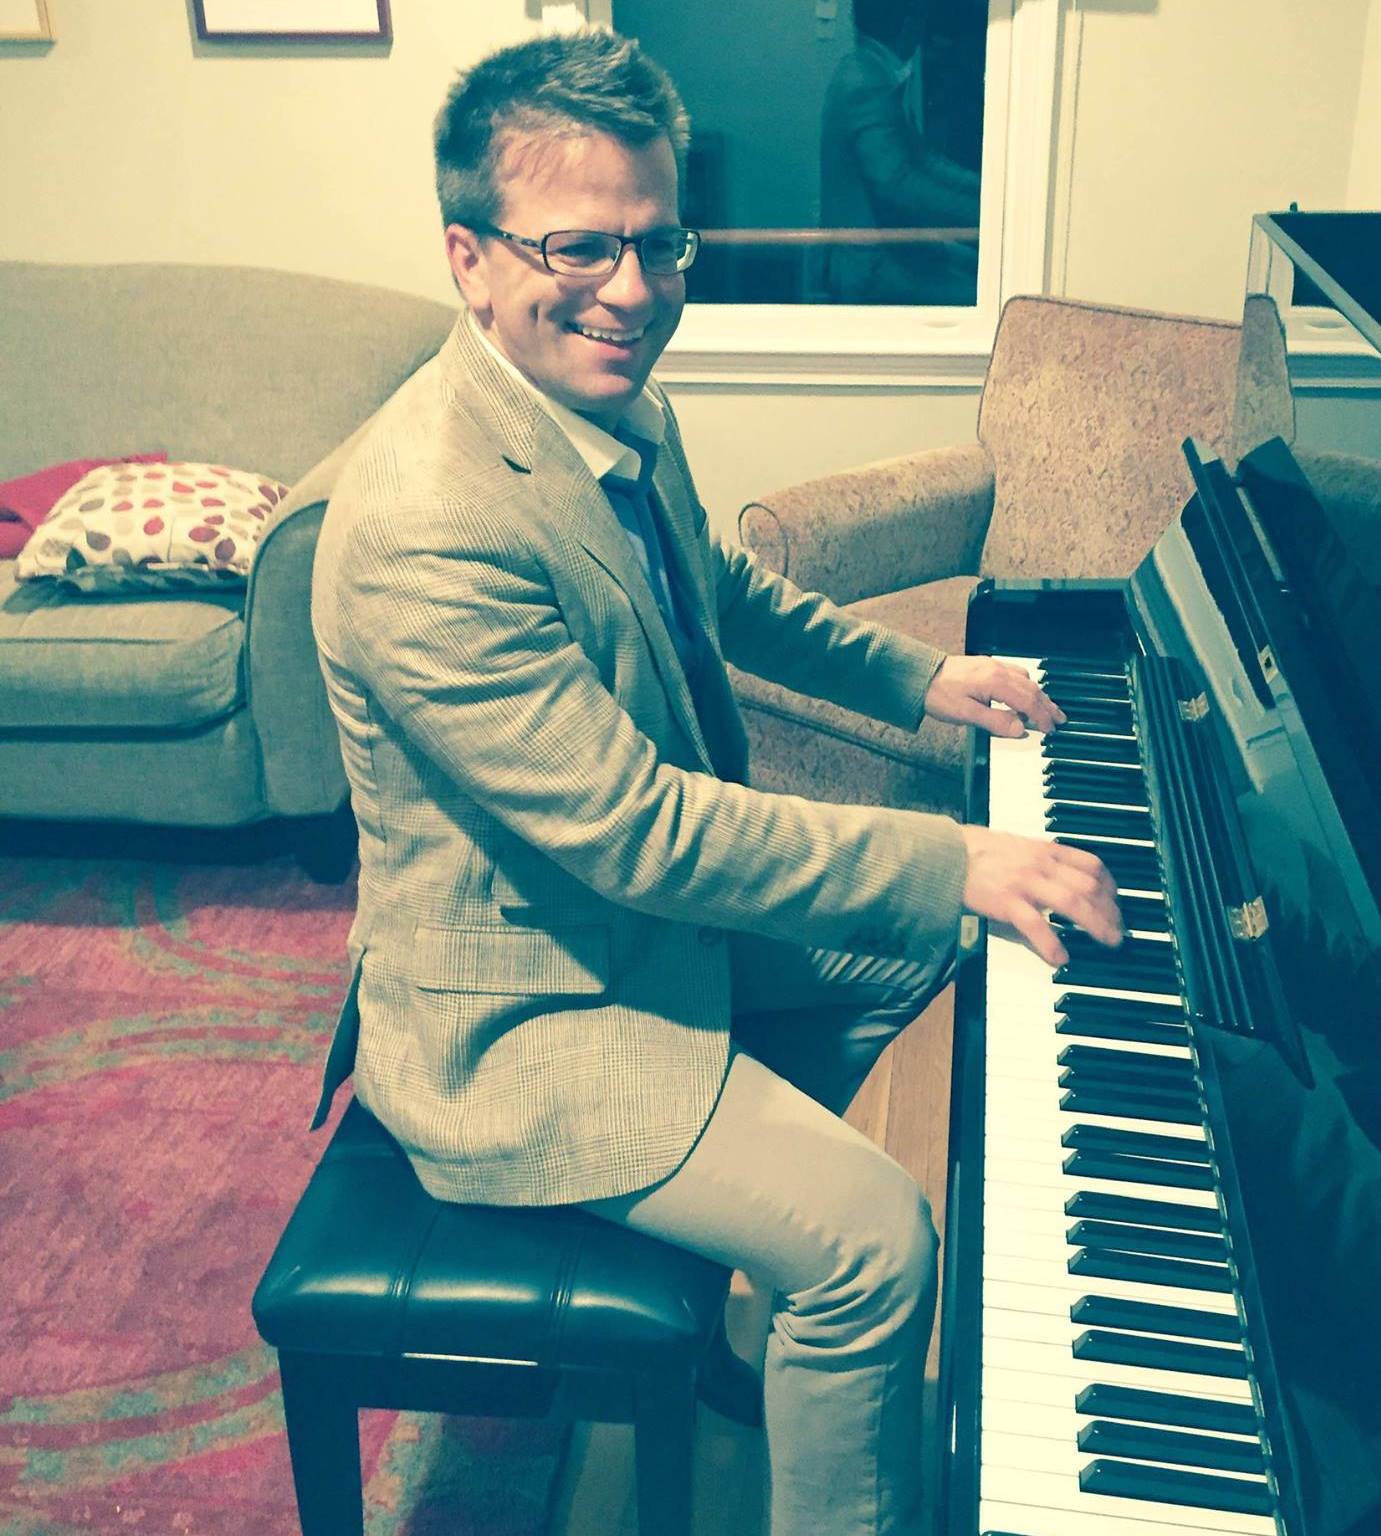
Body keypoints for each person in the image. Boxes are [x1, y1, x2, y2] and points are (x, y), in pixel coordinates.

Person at [308, 30, 1121, 1536]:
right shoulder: (426, 523)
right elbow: (637, 831)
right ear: (470, 257)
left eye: (659, 242)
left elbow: (728, 592)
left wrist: (918, 677)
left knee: (946, 946)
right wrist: (951, 855)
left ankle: (766, 1292)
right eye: (581, 247)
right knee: (876, 1237)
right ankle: (808, 1306)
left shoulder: (607, 404)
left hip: (634, 934)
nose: (634, 289)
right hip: (527, 1013)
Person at [820, 0, 982, 304]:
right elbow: (899, 185)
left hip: (888, 253)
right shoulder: (865, 82)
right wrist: (980, 216)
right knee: (985, 297)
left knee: (979, 271)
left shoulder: (870, 70)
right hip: (869, 266)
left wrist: (985, 194)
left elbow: (925, 161)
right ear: (909, 24)